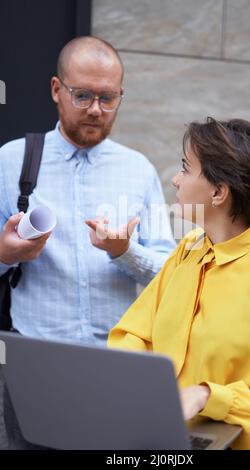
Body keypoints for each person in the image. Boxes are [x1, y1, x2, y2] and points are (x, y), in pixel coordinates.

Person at [0, 36, 175, 449]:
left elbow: (170, 274)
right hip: (34, 363)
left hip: (118, 364)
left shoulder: (138, 169)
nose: (96, 109)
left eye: (107, 98)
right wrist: (5, 254)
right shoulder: (10, 161)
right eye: (82, 96)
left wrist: (125, 254)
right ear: (56, 90)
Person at [108, 117, 250, 450]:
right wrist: (135, 384)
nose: (175, 179)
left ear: (218, 192)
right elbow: (135, 333)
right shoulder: (188, 250)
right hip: (152, 437)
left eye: (186, 168)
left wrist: (208, 396)